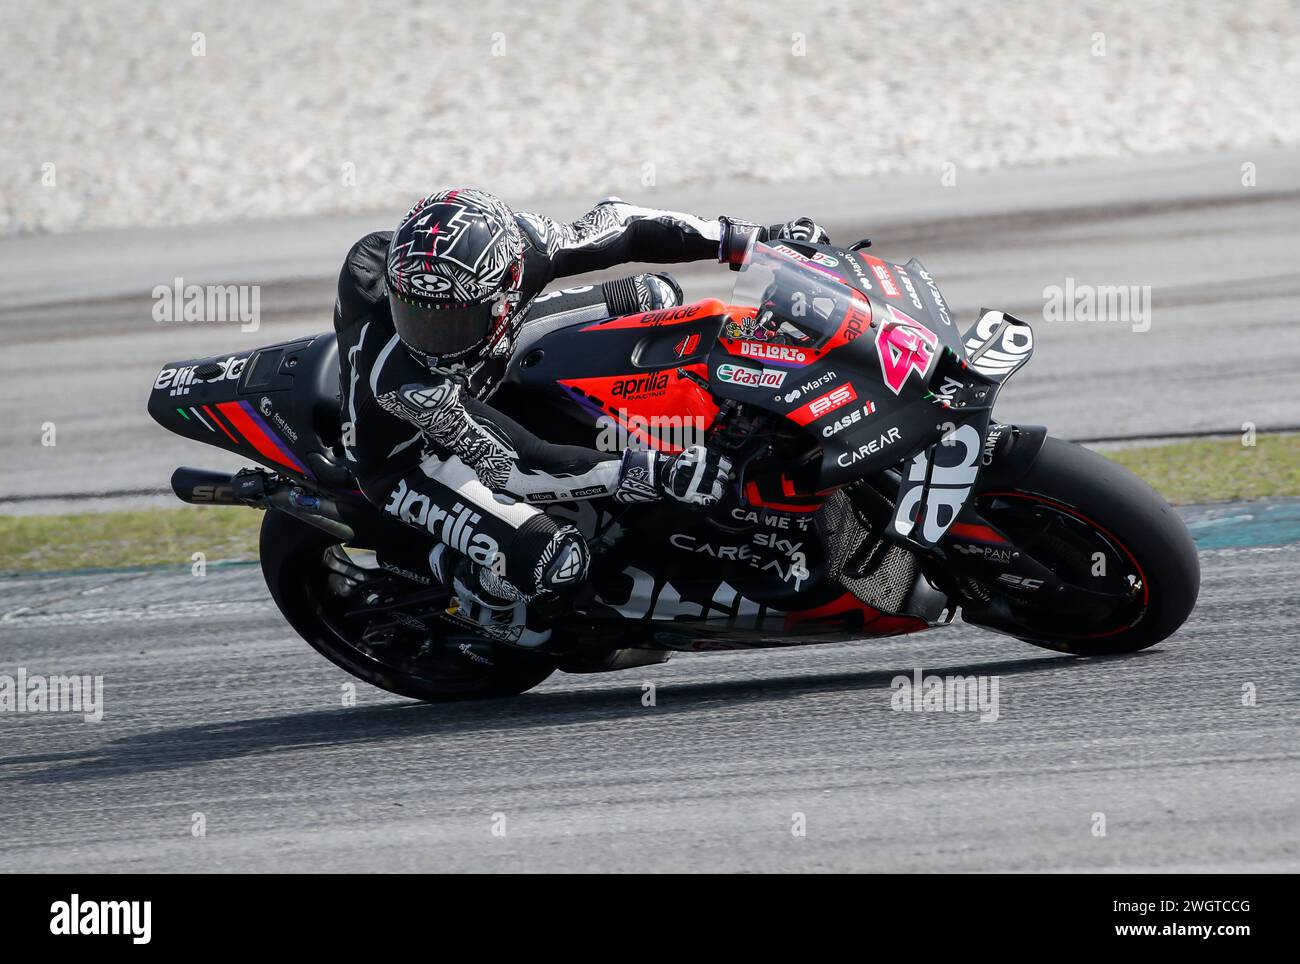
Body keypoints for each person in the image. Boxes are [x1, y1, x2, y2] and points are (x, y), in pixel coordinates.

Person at [334, 187, 829, 644]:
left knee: (655, 297)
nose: (427, 340)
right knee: (557, 562)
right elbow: (519, 466)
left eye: (447, 321)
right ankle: (467, 584)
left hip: (495, 353)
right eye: (414, 315)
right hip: (410, 463)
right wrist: (654, 471)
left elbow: (624, 225)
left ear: (507, 285)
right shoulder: (405, 381)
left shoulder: (523, 247)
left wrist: (751, 241)